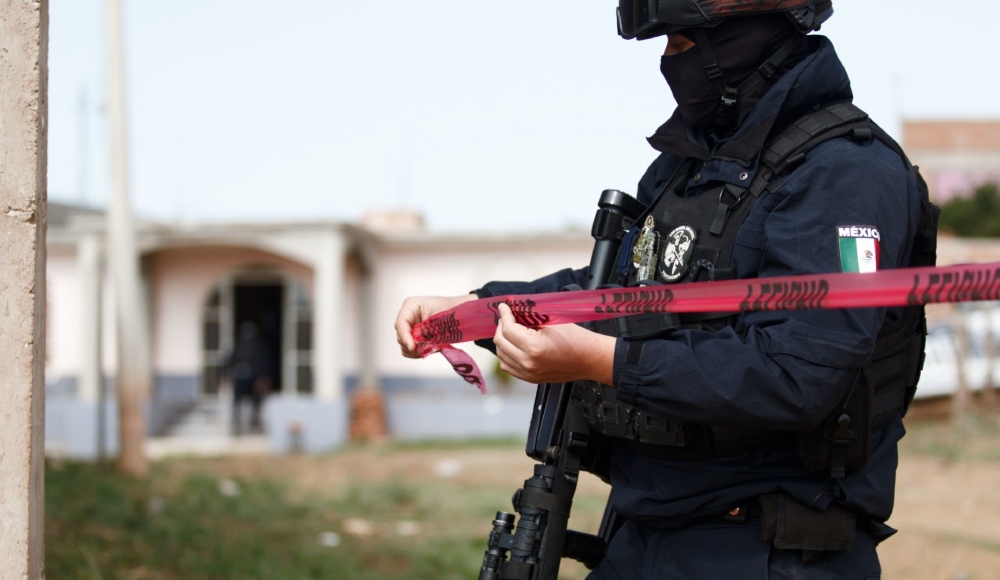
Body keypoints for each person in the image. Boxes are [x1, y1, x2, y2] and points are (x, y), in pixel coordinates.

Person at [396, 1, 934, 577]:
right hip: (647, 533)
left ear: (743, 39)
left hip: (768, 547)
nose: (668, 63)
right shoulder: (692, 167)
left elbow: (798, 373)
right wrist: (472, 310)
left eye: (680, 44)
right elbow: (607, 293)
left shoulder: (844, 173)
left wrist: (601, 360)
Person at [224, 321, 274, 435]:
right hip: (240, 378)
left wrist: (263, 378)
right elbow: (231, 360)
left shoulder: (259, 347)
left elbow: (264, 363)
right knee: (238, 401)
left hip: (254, 378)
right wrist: (226, 374)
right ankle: (236, 424)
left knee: (255, 401)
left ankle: (254, 423)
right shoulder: (239, 346)